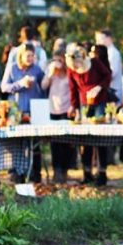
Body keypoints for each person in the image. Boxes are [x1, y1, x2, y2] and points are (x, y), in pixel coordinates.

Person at [66, 41, 113, 185]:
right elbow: (73, 89)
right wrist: (74, 107)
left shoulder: (95, 63)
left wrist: (99, 87)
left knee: (100, 137)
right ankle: (87, 172)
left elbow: (108, 75)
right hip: (84, 104)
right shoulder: (72, 70)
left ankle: (102, 173)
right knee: (85, 138)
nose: (77, 67)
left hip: (99, 101)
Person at [1, 43, 47, 183]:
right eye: (28, 55)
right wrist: (21, 84)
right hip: (17, 110)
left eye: (33, 56)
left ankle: (35, 174)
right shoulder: (12, 68)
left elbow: (44, 86)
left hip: (32, 110)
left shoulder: (37, 69)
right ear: (21, 55)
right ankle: (15, 173)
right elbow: (4, 87)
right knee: (16, 142)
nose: (30, 58)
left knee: (34, 142)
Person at [42, 50, 75, 184]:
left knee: (66, 144)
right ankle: (56, 171)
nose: (57, 63)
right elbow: (43, 86)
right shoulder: (51, 73)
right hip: (53, 110)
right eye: (55, 60)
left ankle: (64, 170)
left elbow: (74, 90)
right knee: (55, 144)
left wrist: (73, 106)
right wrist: (50, 73)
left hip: (66, 110)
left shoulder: (69, 73)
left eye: (60, 60)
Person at [96, 29, 123, 104]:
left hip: (113, 90)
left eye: (100, 39)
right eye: (97, 40)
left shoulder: (113, 53)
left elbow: (112, 72)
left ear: (108, 39)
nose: (98, 42)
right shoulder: (104, 52)